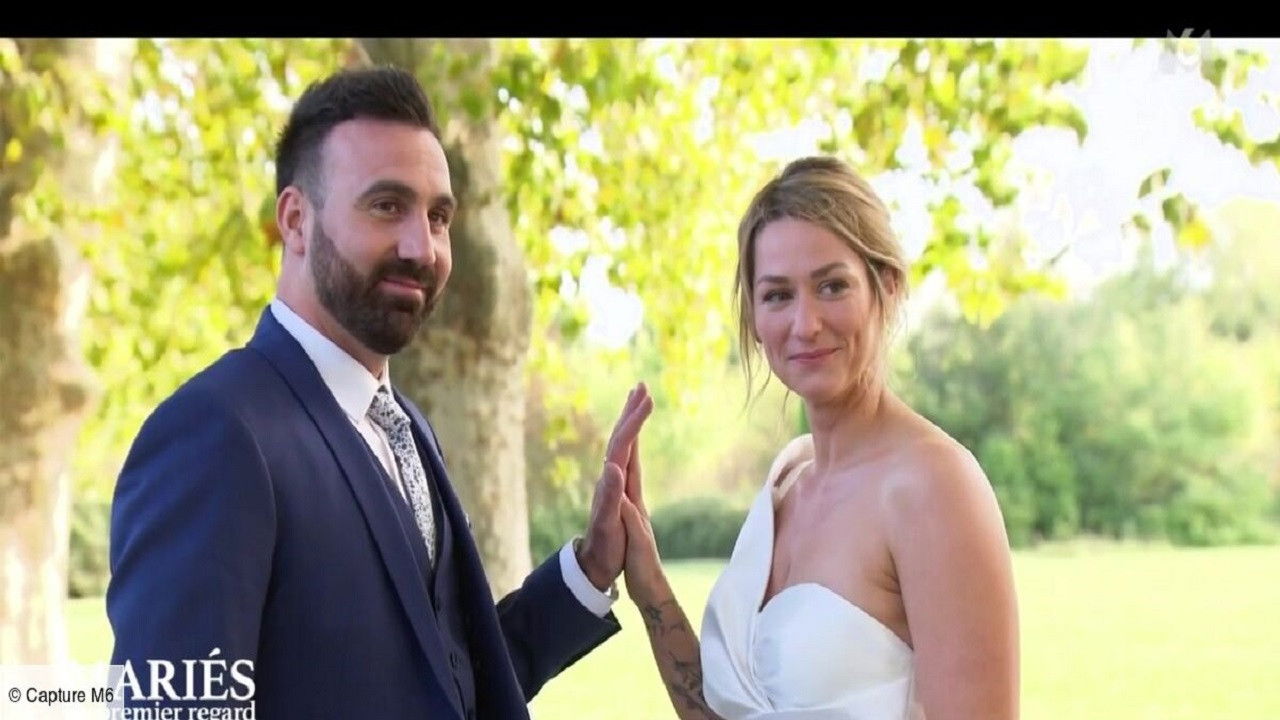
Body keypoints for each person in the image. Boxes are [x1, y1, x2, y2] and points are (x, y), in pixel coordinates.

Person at [106, 66, 653, 720]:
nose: (422, 247)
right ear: (296, 220)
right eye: (387, 206)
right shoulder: (214, 435)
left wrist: (590, 569)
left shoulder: (407, 427)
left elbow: (448, 682)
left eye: (439, 216)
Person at [614, 156, 1020, 719]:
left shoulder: (932, 487)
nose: (805, 324)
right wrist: (648, 583)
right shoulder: (786, 483)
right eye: (778, 295)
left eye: (832, 286)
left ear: (887, 289)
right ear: (755, 318)